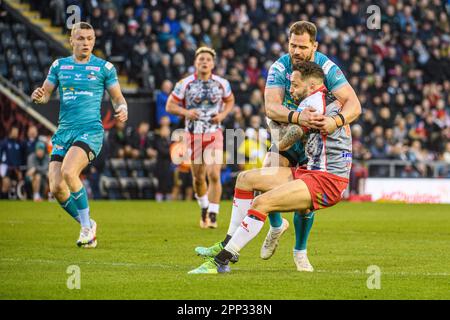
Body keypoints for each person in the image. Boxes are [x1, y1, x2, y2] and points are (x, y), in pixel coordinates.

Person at [195, 21, 360, 271]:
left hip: (325, 176)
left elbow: (354, 105)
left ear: (314, 46)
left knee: (268, 202)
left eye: (302, 47)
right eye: (292, 45)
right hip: (309, 161)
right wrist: (292, 123)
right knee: (247, 180)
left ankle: (286, 253)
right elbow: (271, 107)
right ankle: (243, 238)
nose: (295, 51)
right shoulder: (283, 71)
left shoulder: (322, 84)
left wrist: (334, 122)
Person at [30, 22, 128, 248]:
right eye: (81, 38)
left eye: (90, 39)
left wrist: (122, 108)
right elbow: (45, 95)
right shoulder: (59, 66)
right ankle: (88, 222)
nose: (86, 43)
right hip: (64, 131)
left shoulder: (104, 68)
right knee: (56, 187)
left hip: (90, 131)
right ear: (71, 41)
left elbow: (117, 97)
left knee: (68, 171)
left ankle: (86, 230)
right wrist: (39, 96)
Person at [166, 47, 235, 228]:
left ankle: (213, 214)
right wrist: (186, 112)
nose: (204, 62)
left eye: (207, 59)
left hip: (214, 133)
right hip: (193, 134)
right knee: (198, 178)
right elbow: (169, 105)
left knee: (214, 173)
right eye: (201, 59)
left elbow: (230, 100)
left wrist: (222, 115)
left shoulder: (222, 83)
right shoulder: (185, 83)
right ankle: (204, 207)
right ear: (195, 63)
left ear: (213, 64)